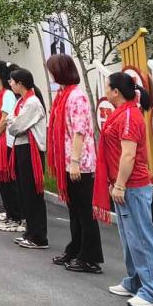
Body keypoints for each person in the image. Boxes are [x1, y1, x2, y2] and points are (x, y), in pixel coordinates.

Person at [96, 72, 153, 306]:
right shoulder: (121, 114)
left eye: (107, 87)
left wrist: (120, 184)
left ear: (116, 92)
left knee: (142, 239)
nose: (104, 91)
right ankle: (135, 282)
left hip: (133, 187)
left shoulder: (129, 116)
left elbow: (129, 154)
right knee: (130, 239)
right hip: (125, 186)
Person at [46, 53, 102, 274]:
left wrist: (75, 162)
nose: (50, 75)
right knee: (74, 209)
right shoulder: (63, 95)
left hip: (80, 163)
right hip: (68, 161)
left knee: (84, 211)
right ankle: (75, 249)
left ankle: (90, 257)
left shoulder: (76, 97)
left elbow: (79, 131)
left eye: (52, 70)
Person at [5, 67, 49, 250]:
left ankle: (38, 236)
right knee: (25, 192)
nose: (10, 84)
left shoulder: (32, 103)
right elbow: (13, 122)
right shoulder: (22, 102)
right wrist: (13, 120)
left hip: (31, 150)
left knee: (33, 193)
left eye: (12, 81)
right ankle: (30, 231)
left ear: (20, 83)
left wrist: (12, 121)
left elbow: (16, 126)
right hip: (22, 148)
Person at [0, 61, 24, 233]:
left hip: (5, 141)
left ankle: (17, 216)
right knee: (3, 180)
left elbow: (4, 119)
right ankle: (10, 214)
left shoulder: (7, 94)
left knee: (8, 180)